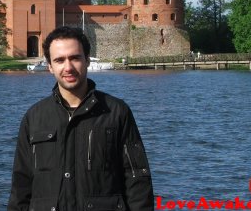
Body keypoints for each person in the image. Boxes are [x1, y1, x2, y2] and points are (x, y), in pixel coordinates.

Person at [8, 26, 153, 211]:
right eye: (59, 60)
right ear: (50, 66)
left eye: (75, 58)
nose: (68, 67)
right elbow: (21, 186)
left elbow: (137, 180)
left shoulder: (116, 112)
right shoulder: (34, 118)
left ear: (87, 60)